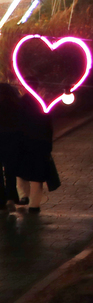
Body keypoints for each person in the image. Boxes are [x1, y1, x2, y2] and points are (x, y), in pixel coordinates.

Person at [7, 73, 58, 214]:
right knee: (37, 176)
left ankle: (24, 197)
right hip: (39, 144)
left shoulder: (19, 102)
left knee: (21, 171)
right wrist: (48, 144)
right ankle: (34, 205)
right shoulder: (43, 103)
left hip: (23, 142)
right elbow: (48, 125)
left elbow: (15, 123)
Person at [1, 75, 21, 213]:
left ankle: (1, 202)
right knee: (11, 171)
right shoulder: (15, 106)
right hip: (12, 141)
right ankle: (12, 198)